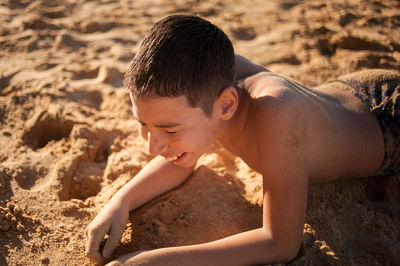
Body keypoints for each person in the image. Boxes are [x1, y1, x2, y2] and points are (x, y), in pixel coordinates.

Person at [84, 15, 400, 265]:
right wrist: (121, 202)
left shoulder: (276, 112)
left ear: (226, 105)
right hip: (346, 91)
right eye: (144, 124)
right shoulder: (208, 75)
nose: (151, 147)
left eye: (170, 130)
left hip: (388, 124)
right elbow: (183, 159)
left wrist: (152, 261)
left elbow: (280, 242)